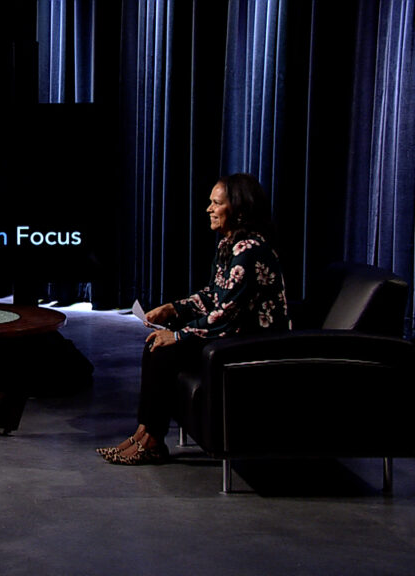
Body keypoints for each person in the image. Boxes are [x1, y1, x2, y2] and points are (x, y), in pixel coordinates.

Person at [98, 173, 291, 465]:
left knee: (165, 347)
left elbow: (226, 313)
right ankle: (144, 434)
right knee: (156, 346)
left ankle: (151, 441)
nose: (209, 209)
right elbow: (214, 295)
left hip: (250, 341)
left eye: (216, 203)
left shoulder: (248, 249)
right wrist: (173, 308)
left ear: (238, 209)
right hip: (234, 332)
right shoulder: (230, 244)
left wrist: (178, 335)